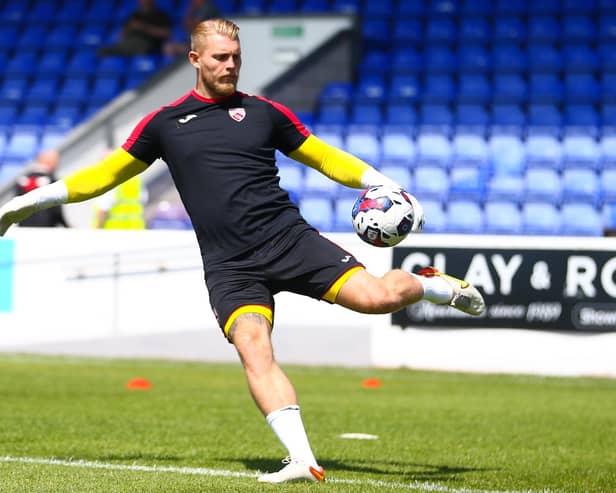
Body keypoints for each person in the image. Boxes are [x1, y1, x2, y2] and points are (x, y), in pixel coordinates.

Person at [0, 19, 485, 483]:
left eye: (236, 57)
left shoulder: (263, 112)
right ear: (195, 59)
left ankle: (433, 285)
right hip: (230, 265)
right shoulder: (164, 124)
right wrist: (25, 202)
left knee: (377, 299)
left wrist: (381, 182)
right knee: (254, 348)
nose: (231, 65)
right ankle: (302, 460)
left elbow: (323, 157)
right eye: (220, 57)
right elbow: (101, 177)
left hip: (289, 241)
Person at [13, 149, 69, 228]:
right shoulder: (52, 182)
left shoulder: (21, 181)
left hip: (24, 229)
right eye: (56, 161)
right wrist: (67, 227)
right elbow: (56, 211)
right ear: (49, 162)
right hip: (46, 230)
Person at [98, 0, 172, 57]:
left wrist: (144, 28)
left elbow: (166, 33)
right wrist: (130, 28)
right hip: (130, 41)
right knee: (106, 49)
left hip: (149, 44)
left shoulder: (160, 15)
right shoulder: (135, 15)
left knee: (137, 45)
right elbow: (121, 34)